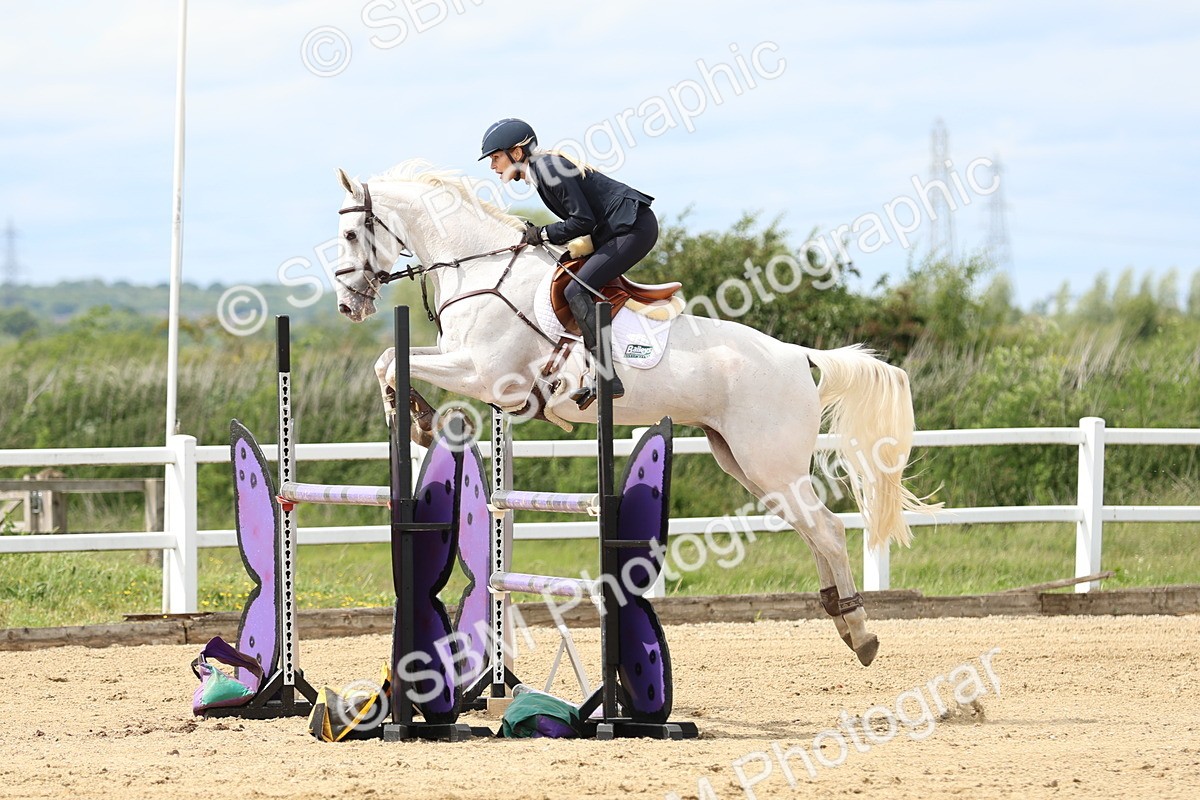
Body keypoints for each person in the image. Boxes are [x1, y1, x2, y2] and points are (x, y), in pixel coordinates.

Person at [479, 118, 658, 403]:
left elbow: (582, 220)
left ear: (516, 152)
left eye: (496, 157)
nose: (492, 166)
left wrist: (544, 232)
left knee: (575, 289)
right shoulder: (541, 170)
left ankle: (606, 376)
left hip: (633, 228)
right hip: (619, 230)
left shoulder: (547, 168)